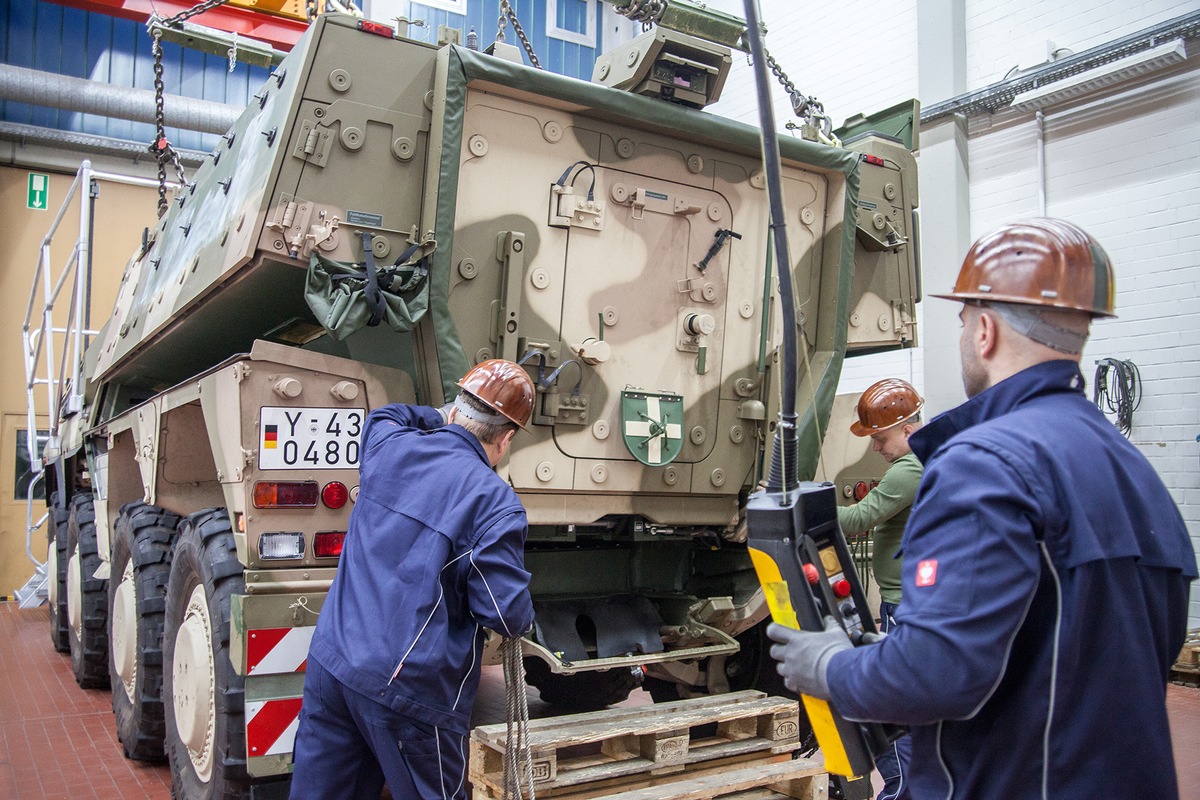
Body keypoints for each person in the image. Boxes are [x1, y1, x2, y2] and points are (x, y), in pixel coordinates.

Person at [768, 218, 1196, 799]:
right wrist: (884, 656)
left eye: (964, 319)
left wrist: (829, 668)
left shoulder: (983, 465)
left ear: (986, 331)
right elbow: (1087, 652)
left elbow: (936, 676)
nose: (965, 333)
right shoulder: (1132, 468)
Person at [290, 359, 538, 800]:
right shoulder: (494, 502)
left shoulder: (389, 446)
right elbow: (506, 614)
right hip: (408, 694)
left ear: (457, 409)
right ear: (506, 438)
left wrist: (441, 415)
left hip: (334, 665)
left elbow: (387, 414)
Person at [837, 378, 923, 800]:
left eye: (881, 438)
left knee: (891, 701)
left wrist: (793, 500)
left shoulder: (910, 470)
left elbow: (856, 520)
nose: (875, 448)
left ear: (908, 429)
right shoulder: (919, 464)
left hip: (905, 608)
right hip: (906, 603)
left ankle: (899, 787)